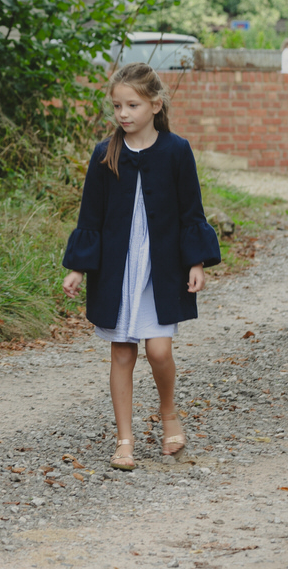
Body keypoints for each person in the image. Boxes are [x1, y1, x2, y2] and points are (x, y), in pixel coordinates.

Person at [61, 62, 222, 470]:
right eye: (117, 106)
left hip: (160, 268)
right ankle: (125, 439)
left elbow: (191, 210)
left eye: (132, 105)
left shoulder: (176, 151)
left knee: (159, 349)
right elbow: (90, 217)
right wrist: (79, 268)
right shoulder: (105, 154)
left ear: (155, 104)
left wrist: (196, 262)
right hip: (118, 269)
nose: (123, 114)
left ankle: (169, 412)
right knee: (121, 353)